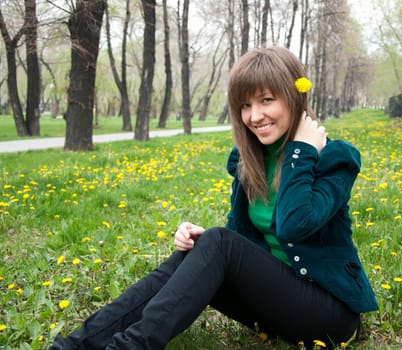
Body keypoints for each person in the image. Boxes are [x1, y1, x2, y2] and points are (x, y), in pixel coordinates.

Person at [49, 46, 378, 350]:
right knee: (193, 253)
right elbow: (238, 240)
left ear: (294, 95)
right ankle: (74, 345)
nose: (254, 116)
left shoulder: (334, 158)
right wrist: (202, 242)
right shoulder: (250, 161)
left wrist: (300, 152)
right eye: (245, 105)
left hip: (329, 317)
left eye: (266, 100)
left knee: (219, 244)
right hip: (274, 307)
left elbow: (295, 225)